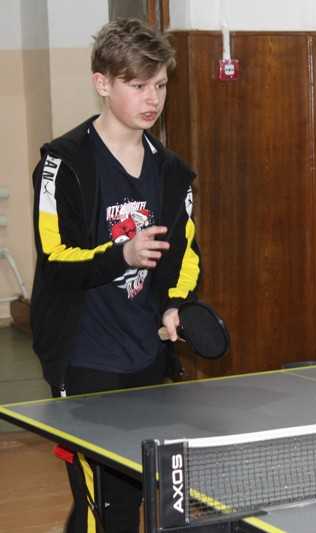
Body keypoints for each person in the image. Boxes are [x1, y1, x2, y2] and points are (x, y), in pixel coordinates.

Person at [30, 18, 200, 532]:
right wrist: (122, 254)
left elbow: (186, 255)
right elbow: (55, 258)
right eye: (138, 85)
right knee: (104, 504)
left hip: (147, 356)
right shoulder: (63, 164)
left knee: (142, 497)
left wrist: (175, 305)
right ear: (102, 83)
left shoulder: (173, 172)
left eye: (160, 85)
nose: (153, 99)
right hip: (85, 359)